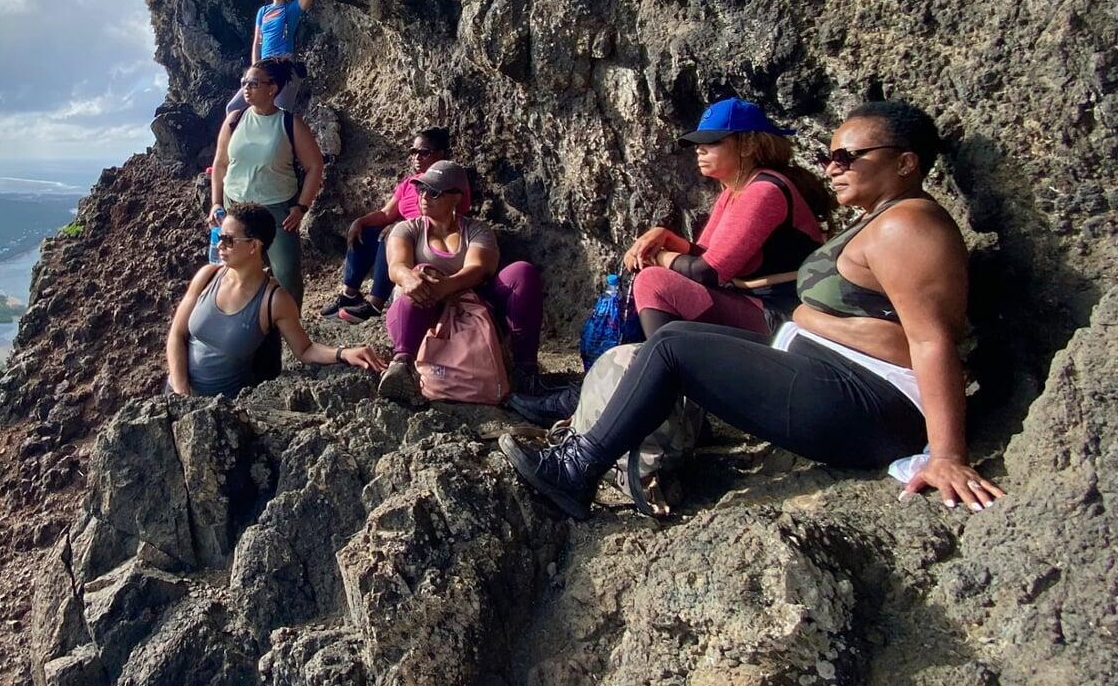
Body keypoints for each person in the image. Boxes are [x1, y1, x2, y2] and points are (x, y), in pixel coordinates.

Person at [501, 101, 1004, 518]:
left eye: (849, 156)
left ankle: (577, 469)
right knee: (674, 344)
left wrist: (948, 456)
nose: (832, 168)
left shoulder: (908, 227)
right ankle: (610, 428)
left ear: (906, 162)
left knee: (674, 346)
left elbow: (931, 339)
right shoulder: (882, 220)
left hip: (872, 405)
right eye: (831, 156)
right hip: (832, 376)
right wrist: (811, 320)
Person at [508, 98, 831, 424]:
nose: (699, 150)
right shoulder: (735, 189)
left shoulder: (764, 191)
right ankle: (634, 392)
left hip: (782, 320)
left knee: (654, 282)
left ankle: (668, 404)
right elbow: (708, 255)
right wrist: (669, 237)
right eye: (698, 144)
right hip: (755, 306)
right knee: (657, 280)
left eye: (712, 142)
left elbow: (708, 272)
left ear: (747, 144)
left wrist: (659, 257)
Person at [168, 203, 386, 396]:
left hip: (221, 413)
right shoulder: (207, 276)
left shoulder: (274, 300)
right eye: (218, 236)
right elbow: (177, 335)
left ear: (254, 246)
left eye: (228, 240)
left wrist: (343, 353)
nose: (219, 245)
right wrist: (180, 392)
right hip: (176, 396)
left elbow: (305, 350)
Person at [375, 160, 547, 403]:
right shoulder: (407, 229)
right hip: (422, 307)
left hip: (470, 305)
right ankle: (402, 364)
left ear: (456, 197)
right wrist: (410, 278)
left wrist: (446, 285)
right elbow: (397, 266)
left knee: (522, 272)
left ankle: (525, 369)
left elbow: (479, 268)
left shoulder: (477, 230)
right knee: (421, 272)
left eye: (434, 192)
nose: (424, 197)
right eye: (421, 190)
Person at [210, 59, 324, 305]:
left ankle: (290, 331)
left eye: (253, 83)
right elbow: (220, 164)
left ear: (272, 88)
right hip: (235, 208)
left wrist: (301, 206)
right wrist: (215, 203)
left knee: (286, 276)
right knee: (236, 272)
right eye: (244, 83)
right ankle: (244, 326)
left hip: (277, 211)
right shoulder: (234, 119)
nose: (246, 89)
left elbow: (315, 166)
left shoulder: (289, 123)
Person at [320, 127, 459, 324]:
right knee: (366, 230)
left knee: (393, 234)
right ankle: (349, 294)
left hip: (427, 235)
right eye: (413, 152)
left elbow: (450, 215)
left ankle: (375, 303)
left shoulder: (448, 184)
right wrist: (361, 221)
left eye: (424, 152)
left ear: (440, 154)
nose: (417, 157)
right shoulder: (409, 183)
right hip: (405, 229)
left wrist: (400, 227)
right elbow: (387, 213)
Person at [226, 0, 315, 113]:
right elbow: (257, 43)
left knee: (280, 114)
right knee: (233, 108)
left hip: (284, 67)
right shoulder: (263, 11)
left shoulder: (292, 9)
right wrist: (255, 68)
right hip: (263, 67)